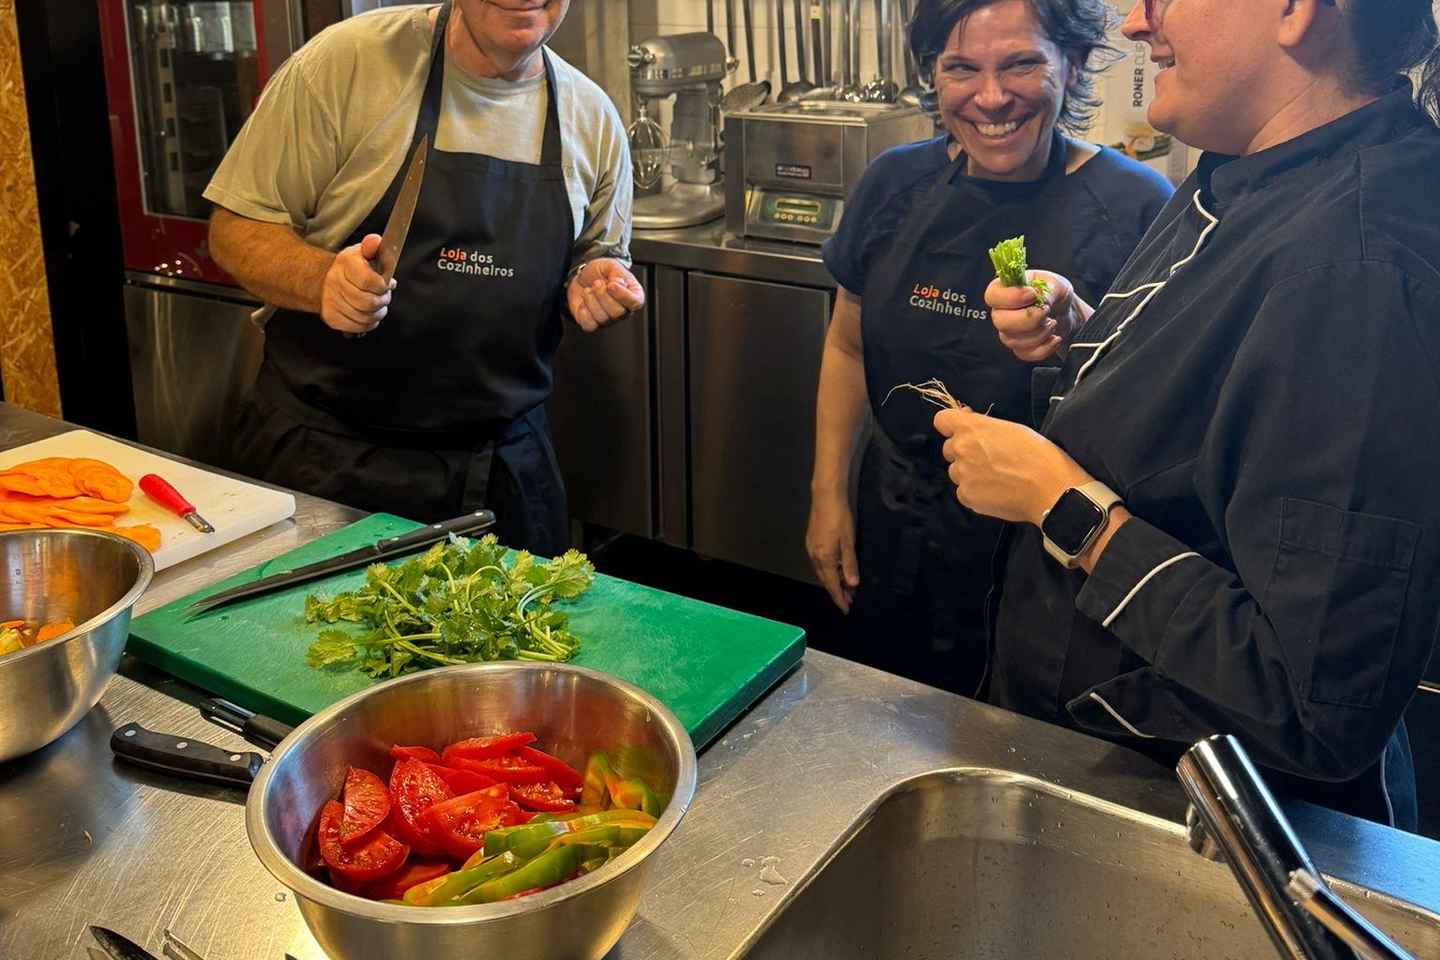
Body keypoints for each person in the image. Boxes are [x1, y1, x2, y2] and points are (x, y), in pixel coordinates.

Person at [936, 0, 1440, 828]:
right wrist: (1092, 338)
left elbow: (1312, 710)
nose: (1134, 22)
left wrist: (1067, 510)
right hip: (1083, 758)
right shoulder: (1251, 168)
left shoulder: (1362, 267)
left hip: (1205, 824)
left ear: (1294, 10)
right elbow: (1230, 418)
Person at [807, 0, 1172, 694]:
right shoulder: (893, 183)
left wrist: (1073, 336)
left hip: (1049, 556)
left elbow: (1157, 416)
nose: (992, 97)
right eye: (962, 69)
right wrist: (828, 496)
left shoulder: (1138, 207)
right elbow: (848, 347)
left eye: (1022, 64)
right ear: (934, 77)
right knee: (885, 713)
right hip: (896, 520)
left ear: (1069, 63)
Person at [205, 0, 645, 555]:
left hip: (504, 476)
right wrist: (322, 280)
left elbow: (598, 255)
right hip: (327, 462)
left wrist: (596, 277)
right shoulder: (347, 64)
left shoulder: (592, 117)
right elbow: (235, 227)